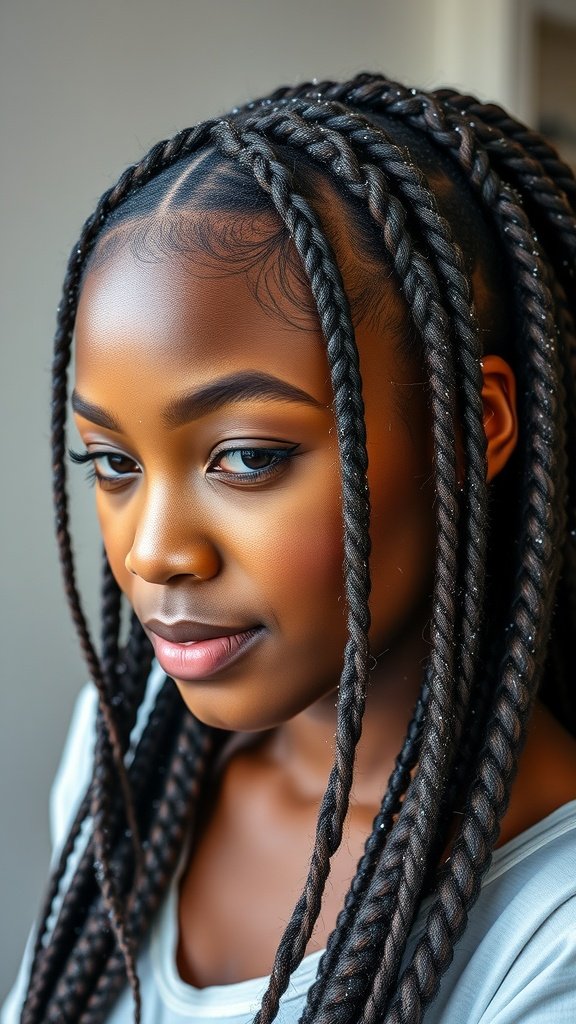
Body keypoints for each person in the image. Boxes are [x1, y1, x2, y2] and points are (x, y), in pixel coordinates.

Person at [4, 72, 576, 1024]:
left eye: (245, 457)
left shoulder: (548, 938)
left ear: (472, 432)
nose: (152, 554)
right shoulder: (124, 747)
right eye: (111, 462)